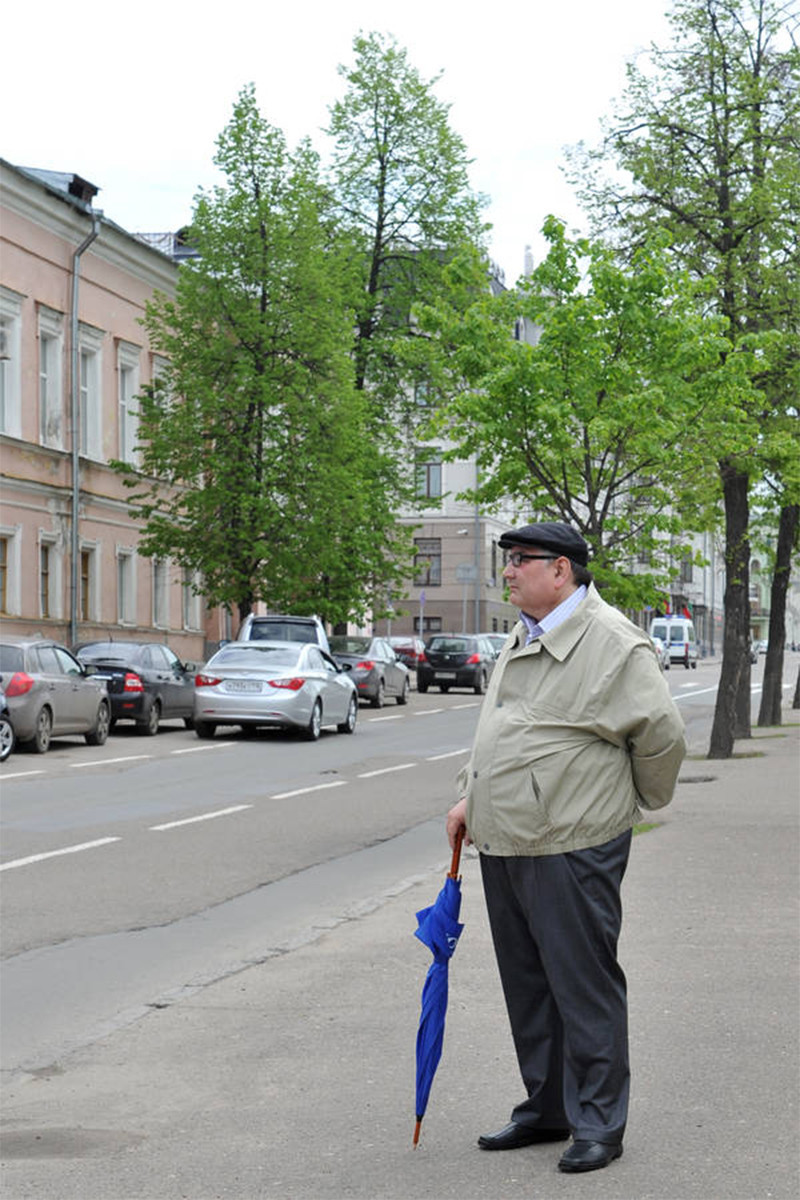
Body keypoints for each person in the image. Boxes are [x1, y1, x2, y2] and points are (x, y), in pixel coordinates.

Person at [446, 521, 686, 1174]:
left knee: (583, 987)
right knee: (530, 987)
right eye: (508, 561)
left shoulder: (611, 642)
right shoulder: (522, 637)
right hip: (508, 840)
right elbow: (499, 729)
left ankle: (600, 1121)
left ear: (561, 571)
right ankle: (548, 1107)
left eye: (521, 560)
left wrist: (621, 807)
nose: (509, 571)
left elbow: (661, 737)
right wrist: (472, 797)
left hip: (573, 843)